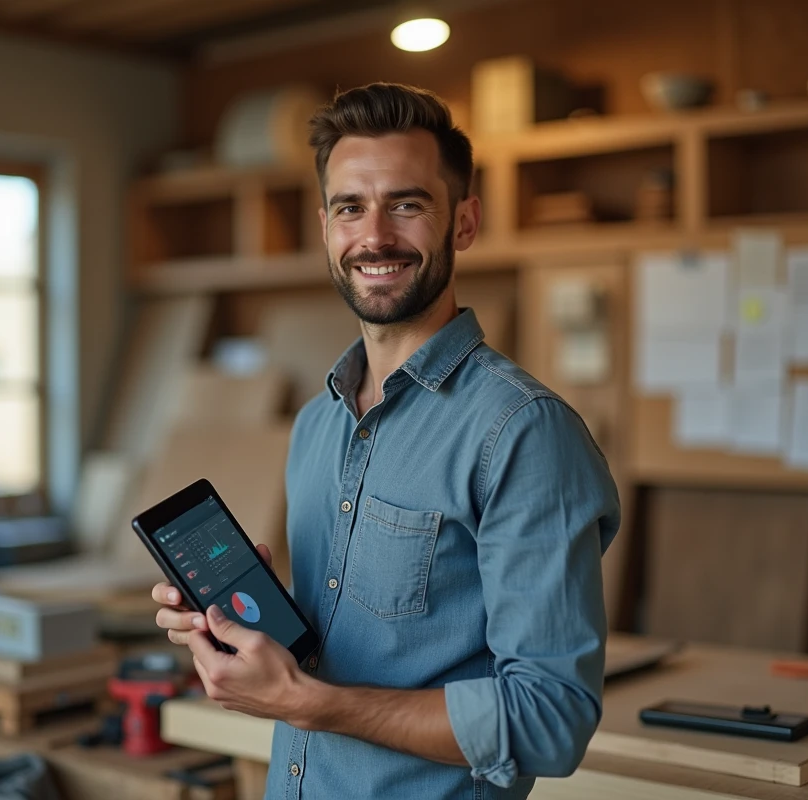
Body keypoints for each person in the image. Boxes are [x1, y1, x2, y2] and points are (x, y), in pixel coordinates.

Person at [152, 81, 620, 799]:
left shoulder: (523, 432)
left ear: (463, 223)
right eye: (351, 208)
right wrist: (247, 634)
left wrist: (313, 705)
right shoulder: (316, 424)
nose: (374, 237)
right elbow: (348, 648)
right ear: (325, 228)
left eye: (407, 204)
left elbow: (552, 720)